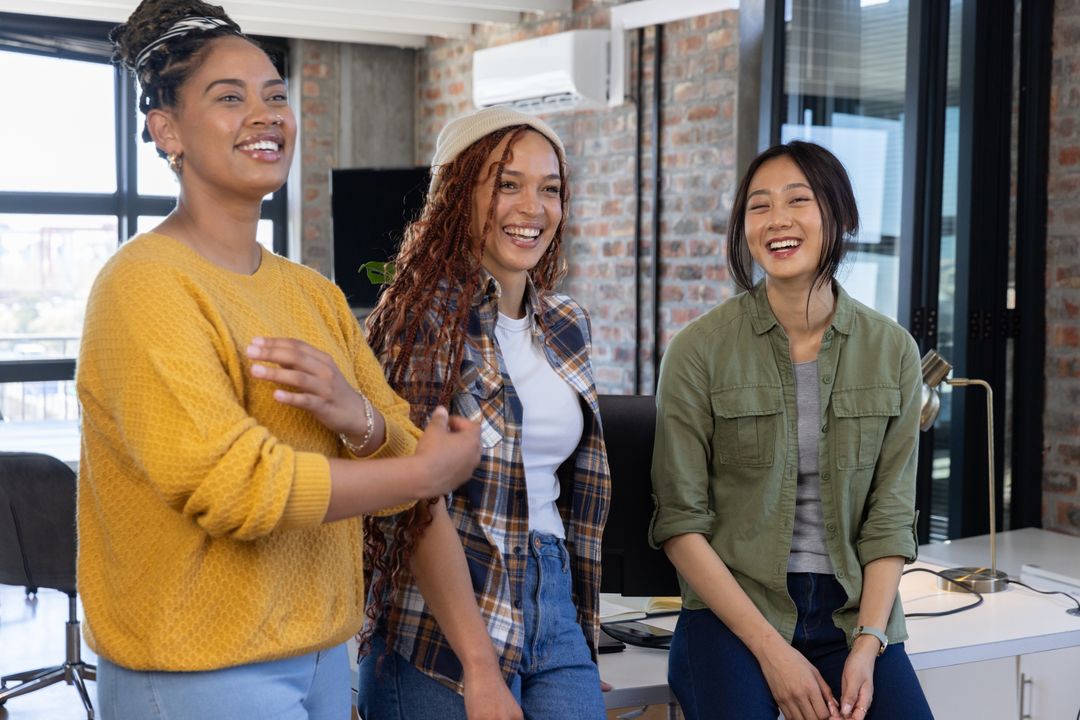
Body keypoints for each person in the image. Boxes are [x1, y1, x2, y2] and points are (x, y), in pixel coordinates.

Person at [76, 2, 490, 718]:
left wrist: (355, 416)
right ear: (166, 130)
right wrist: (422, 471)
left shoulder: (312, 295)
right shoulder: (144, 285)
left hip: (326, 655)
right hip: (200, 671)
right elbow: (234, 488)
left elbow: (391, 441)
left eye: (275, 96)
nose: (266, 115)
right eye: (230, 98)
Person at [649, 141, 934, 720]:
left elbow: (890, 519)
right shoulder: (698, 351)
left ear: (840, 215)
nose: (777, 219)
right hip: (733, 614)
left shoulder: (892, 351)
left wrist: (869, 642)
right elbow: (680, 522)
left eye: (797, 200)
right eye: (759, 206)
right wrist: (772, 652)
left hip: (851, 613)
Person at [359, 107, 612, 720]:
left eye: (549, 188)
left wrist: (565, 635)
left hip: (551, 601)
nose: (533, 207)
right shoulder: (418, 322)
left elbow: (565, 493)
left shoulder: (565, 323)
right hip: (441, 624)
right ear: (456, 195)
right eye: (507, 184)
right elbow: (414, 503)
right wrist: (480, 664)